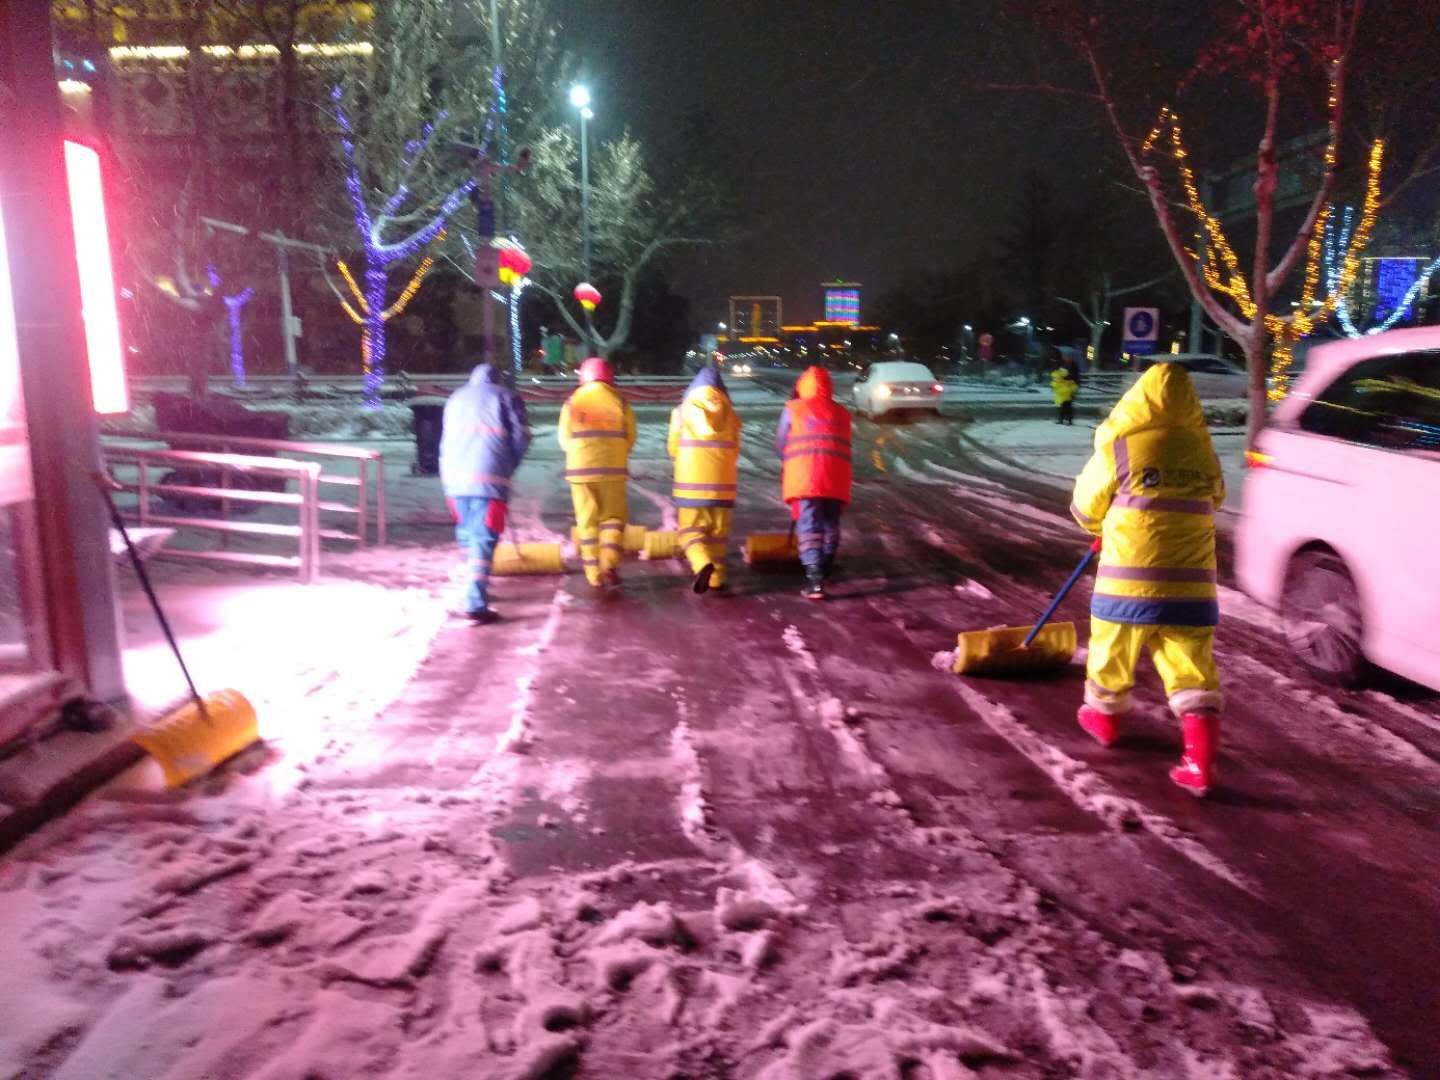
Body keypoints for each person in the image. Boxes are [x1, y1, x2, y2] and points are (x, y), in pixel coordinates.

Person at [1069, 362, 1225, 796]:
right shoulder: (1203, 453)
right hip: (1192, 588)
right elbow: (1216, 497)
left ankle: (1104, 720)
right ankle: (1200, 763)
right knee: (1192, 667)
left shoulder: (1121, 447)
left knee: (1111, 654)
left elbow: (1084, 509)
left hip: (1126, 584)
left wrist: (1103, 526)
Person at [439, 362, 531, 624]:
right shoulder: (506, 397)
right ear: (497, 378)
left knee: (468, 535)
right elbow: (522, 437)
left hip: (454, 481)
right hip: (489, 481)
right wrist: (508, 465)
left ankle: (474, 587)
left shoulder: (455, 399)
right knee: (483, 539)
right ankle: (475, 603)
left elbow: (444, 441)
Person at [559, 356, 636, 592]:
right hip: (613, 472)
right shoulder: (620, 402)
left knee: (587, 523)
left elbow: (564, 439)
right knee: (613, 519)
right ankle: (609, 564)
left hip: (580, 473)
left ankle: (593, 575)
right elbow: (630, 437)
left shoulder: (572, 401)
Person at [776, 365, 853, 601]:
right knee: (830, 521)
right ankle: (827, 562)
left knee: (810, 525)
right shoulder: (842, 412)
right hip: (837, 478)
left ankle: (815, 578)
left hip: (805, 478)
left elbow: (781, 445)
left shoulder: (793, 409)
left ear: (802, 386)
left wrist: (790, 459)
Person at [668, 365, 742, 595]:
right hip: (724, 488)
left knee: (689, 532)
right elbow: (736, 451)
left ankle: (702, 564)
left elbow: (673, 448)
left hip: (691, 487)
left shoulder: (681, 412)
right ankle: (717, 579)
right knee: (718, 537)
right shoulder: (731, 415)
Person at [1051, 352, 1079, 425]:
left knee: (1068, 405)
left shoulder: (1073, 365)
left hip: (1071, 388)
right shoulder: (1064, 365)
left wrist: (1064, 377)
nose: (1065, 358)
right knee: (1062, 404)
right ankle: (1062, 419)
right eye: (1064, 356)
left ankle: (1068, 420)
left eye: (1066, 356)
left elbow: (1074, 376)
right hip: (1063, 389)